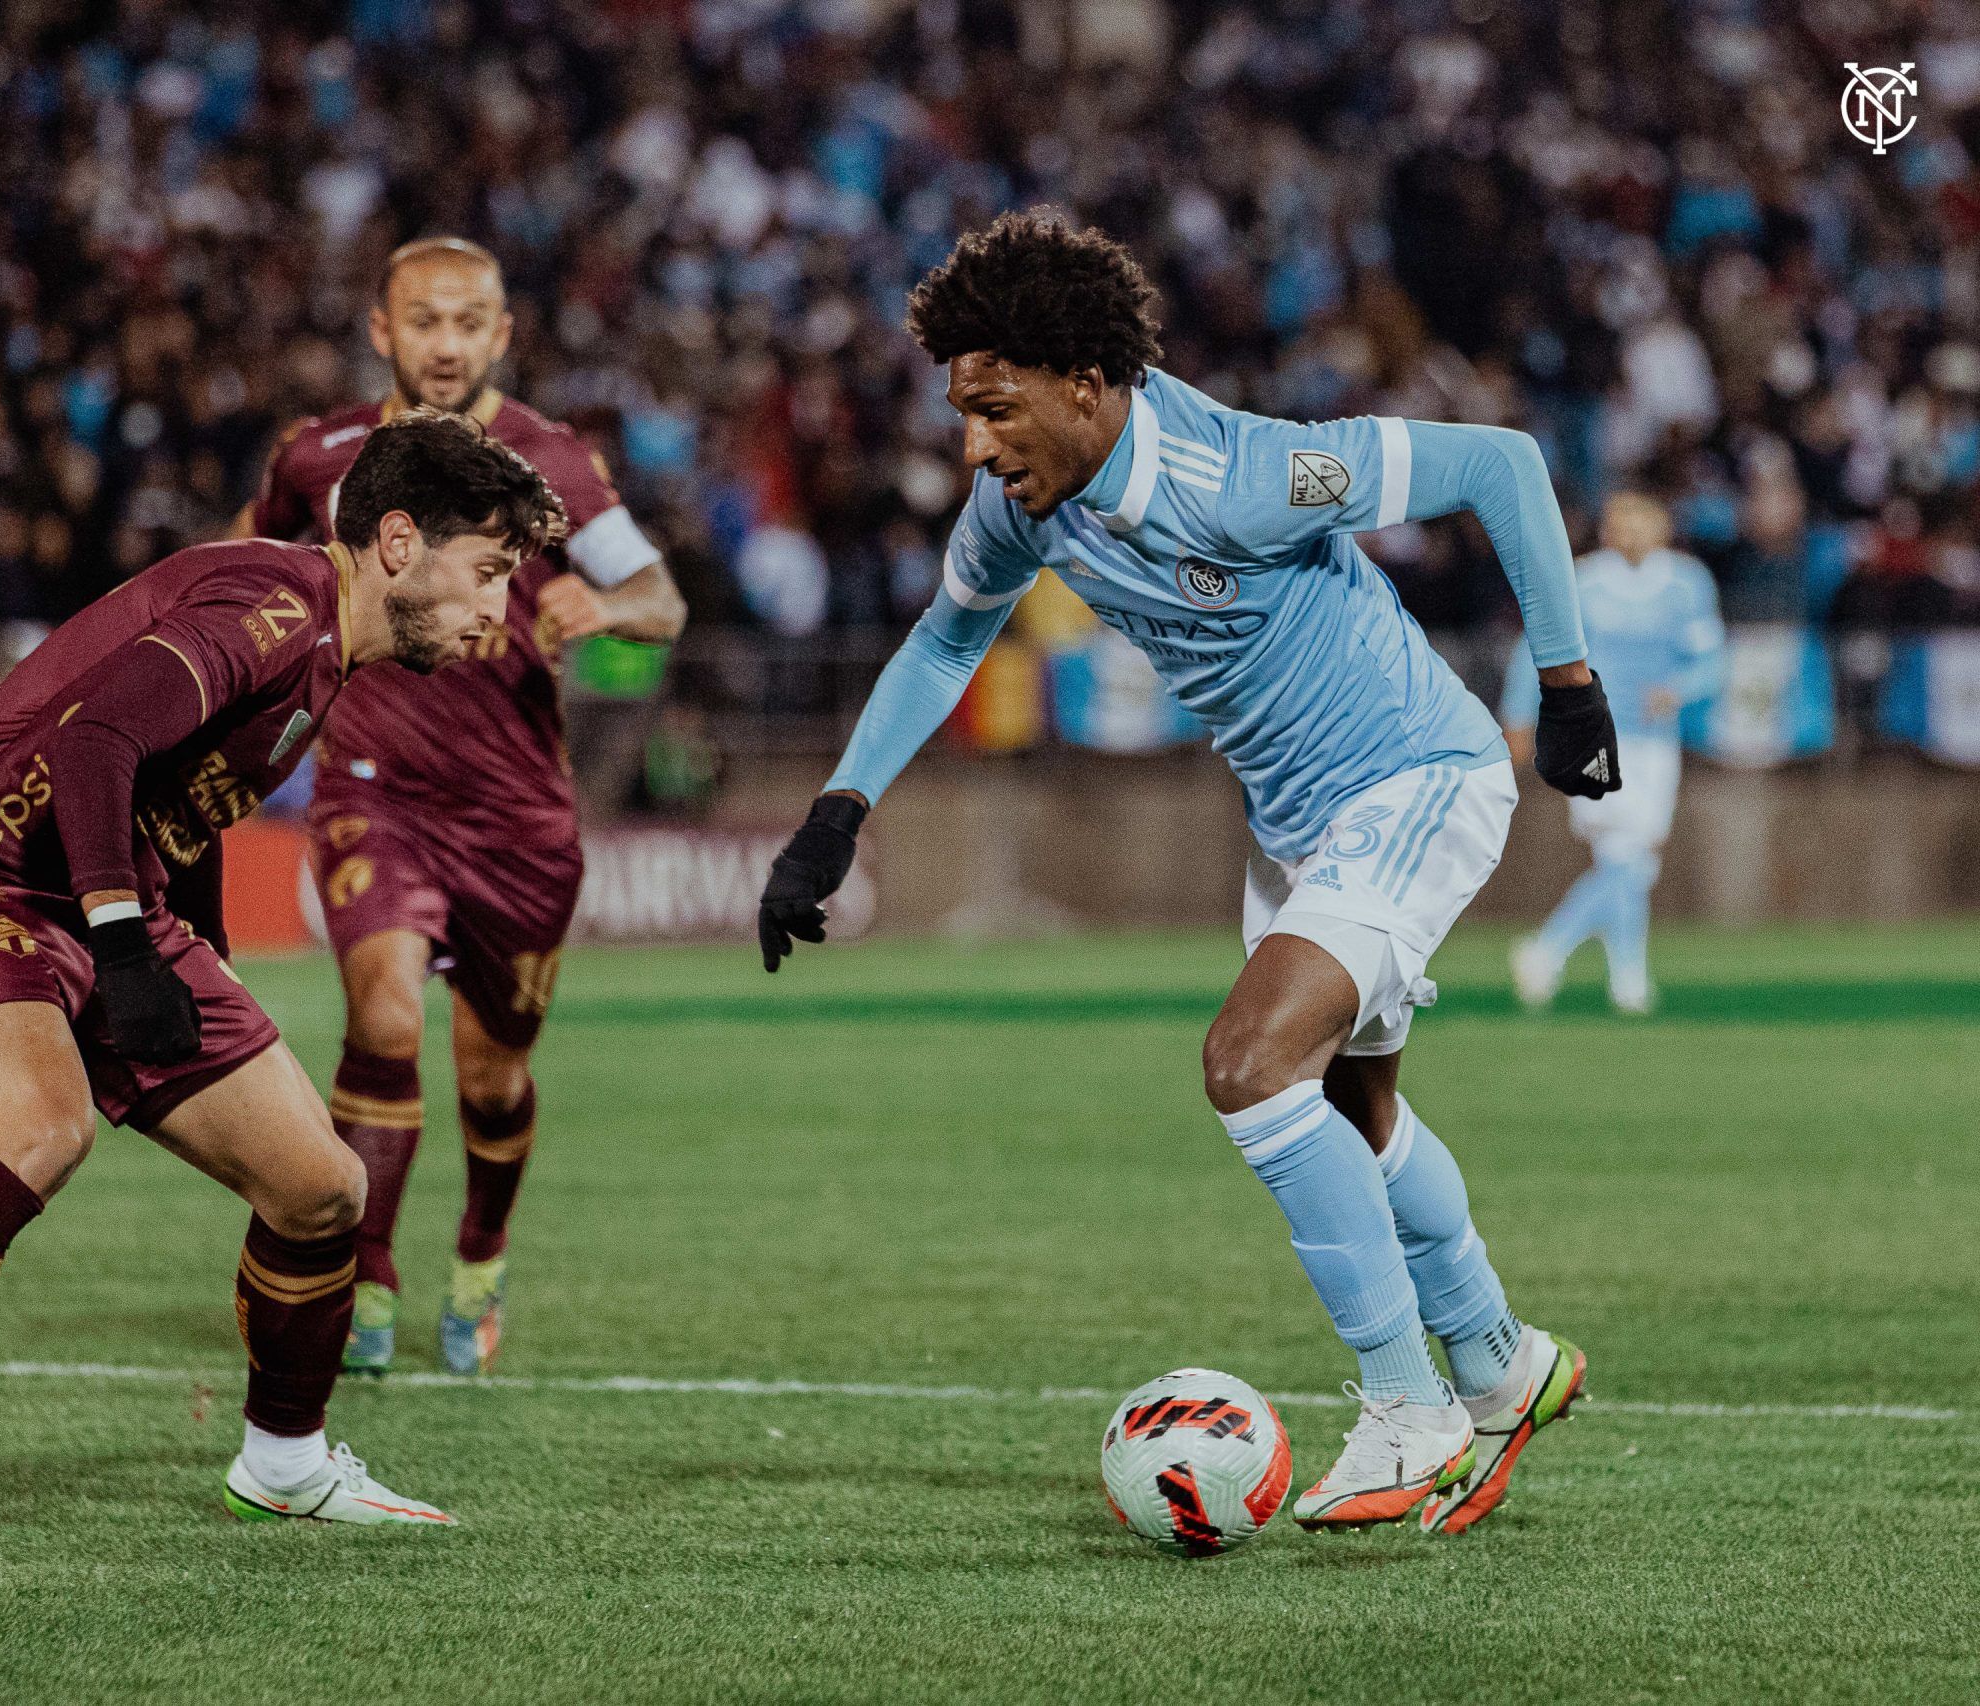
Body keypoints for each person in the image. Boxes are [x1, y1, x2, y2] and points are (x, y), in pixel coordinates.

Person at [756, 212, 1620, 1535]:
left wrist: (1567, 683)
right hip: (1295, 832)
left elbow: (1498, 464)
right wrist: (836, 812)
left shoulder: (1249, 474)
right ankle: (1500, 1361)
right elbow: (944, 642)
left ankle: (1408, 1408)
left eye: (996, 409)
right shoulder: (1020, 509)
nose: (975, 446)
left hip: (1413, 779)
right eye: (963, 415)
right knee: (1357, 1111)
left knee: (1249, 1061)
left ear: (1087, 386)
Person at [0, 412, 566, 1573]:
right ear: (398, 541)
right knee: (41, 1127)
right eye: (488, 572)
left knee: (321, 1187)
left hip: (110, 897)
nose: (500, 607)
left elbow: (184, 794)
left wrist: (202, 946)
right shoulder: (274, 609)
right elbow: (97, 747)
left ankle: (283, 1462)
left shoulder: (323, 644)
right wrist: (127, 948)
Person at [231, 237, 685, 1376]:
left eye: (466, 322)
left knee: (492, 1072)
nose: (444, 343)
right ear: (381, 330)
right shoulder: (322, 457)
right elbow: (244, 566)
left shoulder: (554, 464)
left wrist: (607, 606)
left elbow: (661, 598)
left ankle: (479, 1252)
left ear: (500, 334)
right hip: (372, 786)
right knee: (383, 1020)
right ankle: (362, 1278)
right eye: (421, 321)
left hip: (517, 814)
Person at [1504, 493, 1725, 1014]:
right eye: (1618, 520)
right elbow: (1533, 645)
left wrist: (1680, 688)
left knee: (1630, 859)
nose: (1628, 530)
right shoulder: (1584, 581)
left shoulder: (1687, 583)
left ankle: (1568, 958)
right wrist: (1517, 716)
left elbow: (1712, 661)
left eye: (1639, 520)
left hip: (1655, 741)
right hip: (1592, 731)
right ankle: (1613, 975)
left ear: (1662, 525)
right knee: (1627, 855)